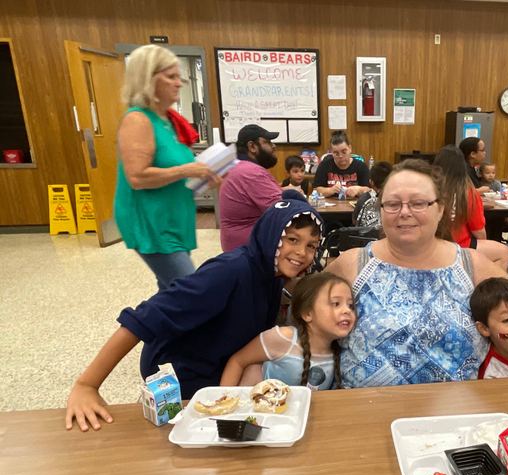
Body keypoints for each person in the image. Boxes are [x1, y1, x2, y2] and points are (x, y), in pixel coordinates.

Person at [65, 196, 323, 431]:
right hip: (180, 373)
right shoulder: (229, 271)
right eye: (292, 240)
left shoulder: (271, 276)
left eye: (311, 246)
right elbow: (144, 318)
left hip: (218, 363)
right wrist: (87, 385)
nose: (302, 253)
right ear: (271, 236)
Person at [326, 158, 508, 388]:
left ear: (440, 209)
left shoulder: (471, 265)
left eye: (418, 203)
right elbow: (306, 319)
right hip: (364, 411)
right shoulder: (353, 264)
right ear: (381, 209)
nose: (404, 212)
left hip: (457, 413)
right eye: (393, 204)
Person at [114, 44, 221, 290]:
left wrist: (203, 175)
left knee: (170, 293)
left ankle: (156, 329)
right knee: (191, 292)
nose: (178, 83)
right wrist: (188, 171)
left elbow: (174, 169)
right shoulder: (138, 120)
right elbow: (137, 177)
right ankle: (138, 328)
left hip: (174, 219)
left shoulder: (167, 121)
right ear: (147, 79)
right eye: (171, 77)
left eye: (178, 77)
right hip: (152, 223)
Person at [220, 272, 355, 390]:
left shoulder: (341, 352)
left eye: (350, 305)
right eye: (336, 303)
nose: (347, 310)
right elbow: (238, 361)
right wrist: (223, 405)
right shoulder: (284, 338)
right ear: (307, 313)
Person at [434, 145, 508, 268]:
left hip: (432, 244)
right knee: (504, 252)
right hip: (460, 245)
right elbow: (478, 231)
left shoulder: (430, 187)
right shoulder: (467, 191)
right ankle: (485, 285)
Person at [219, 124, 283, 252]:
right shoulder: (252, 173)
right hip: (250, 253)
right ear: (252, 146)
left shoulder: (239, 167)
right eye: (268, 142)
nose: (273, 146)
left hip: (236, 248)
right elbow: (282, 210)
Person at [312, 130, 370, 199]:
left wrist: (358, 190)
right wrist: (331, 190)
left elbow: (369, 191)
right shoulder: (324, 165)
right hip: (329, 207)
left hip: (354, 207)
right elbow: (317, 189)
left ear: (350, 148)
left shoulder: (361, 166)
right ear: (331, 152)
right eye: (336, 153)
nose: (340, 156)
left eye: (344, 152)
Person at [353, 161, 392, 228]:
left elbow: (355, 221)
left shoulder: (364, 199)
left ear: (371, 182)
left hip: (367, 237)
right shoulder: (398, 199)